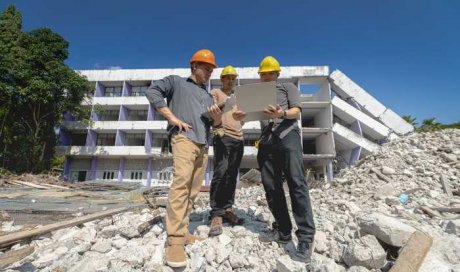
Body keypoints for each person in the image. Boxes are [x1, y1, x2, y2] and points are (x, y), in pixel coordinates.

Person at [233, 56, 316, 263]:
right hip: (267, 142)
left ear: (277, 74)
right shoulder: (256, 94)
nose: (266, 77)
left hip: (288, 137)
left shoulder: (287, 87)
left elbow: (296, 112)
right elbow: (246, 118)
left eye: (270, 73)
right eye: (263, 74)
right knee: (271, 187)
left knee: (296, 183)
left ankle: (305, 237)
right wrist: (239, 118)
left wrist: (282, 112)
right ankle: (283, 230)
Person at [145, 49, 223, 268]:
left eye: (211, 70)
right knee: (181, 185)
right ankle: (175, 240)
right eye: (205, 68)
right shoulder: (176, 82)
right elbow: (152, 92)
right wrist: (172, 117)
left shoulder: (208, 96)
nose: (208, 73)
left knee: (193, 190)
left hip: (202, 144)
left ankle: (184, 230)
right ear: (194, 66)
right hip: (183, 139)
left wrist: (217, 120)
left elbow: (215, 127)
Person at [208, 65, 245, 237]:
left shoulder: (239, 97)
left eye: (232, 78)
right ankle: (216, 213)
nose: (230, 81)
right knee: (220, 172)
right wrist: (227, 101)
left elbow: (241, 119)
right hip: (222, 136)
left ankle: (228, 208)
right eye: (227, 78)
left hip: (238, 138)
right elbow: (211, 111)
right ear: (222, 79)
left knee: (231, 174)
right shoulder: (216, 93)